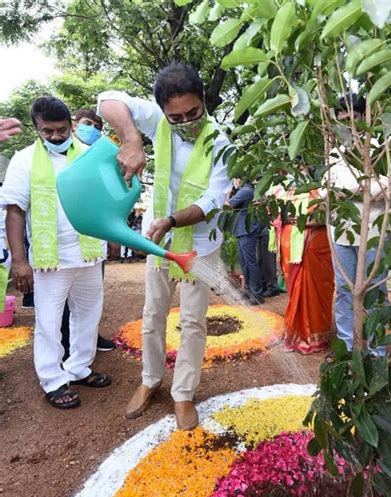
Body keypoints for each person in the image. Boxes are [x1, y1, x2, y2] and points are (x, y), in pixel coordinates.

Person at [98, 62, 231, 428]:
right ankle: (150, 380)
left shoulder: (221, 139)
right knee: (153, 314)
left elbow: (213, 201)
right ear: (163, 111)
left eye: (194, 112)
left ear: (204, 100)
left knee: (192, 322)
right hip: (159, 241)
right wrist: (131, 138)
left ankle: (183, 393)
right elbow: (106, 100)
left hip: (199, 245)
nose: (187, 121)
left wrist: (171, 220)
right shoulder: (156, 119)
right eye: (177, 117)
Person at [0, 96, 110, 409]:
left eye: (62, 130)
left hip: (88, 252)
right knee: (49, 323)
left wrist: (111, 237)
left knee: (88, 315)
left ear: (71, 125)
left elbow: (101, 198)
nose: (56, 137)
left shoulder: (87, 155)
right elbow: (15, 211)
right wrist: (20, 261)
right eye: (48, 131)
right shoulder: (24, 160)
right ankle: (52, 380)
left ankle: (79, 367)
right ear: (37, 128)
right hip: (51, 260)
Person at [323, 95, 391, 355]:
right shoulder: (335, 152)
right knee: (344, 292)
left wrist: (353, 190)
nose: (348, 126)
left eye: (353, 119)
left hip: (374, 234)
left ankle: (378, 351)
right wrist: (366, 189)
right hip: (341, 234)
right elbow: (327, 189)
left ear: (365, 117)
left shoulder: (385, 147)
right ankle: (350, 349)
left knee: (376, 293)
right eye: (342, 121)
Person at [60, 108, 116, 357]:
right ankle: (63, 343)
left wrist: (113, 237)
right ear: (74, 125)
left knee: (90, 298)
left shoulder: (100, 157)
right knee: (60, 300)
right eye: (86, 123)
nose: (92, 129)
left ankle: (91, 338)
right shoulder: (57, 154)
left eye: (97, 126)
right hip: (61, 242)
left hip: (93, 240)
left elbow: (108, 198)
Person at [270, 187, 334, 353]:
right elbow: (273, 216)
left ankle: (312, 334)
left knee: (315, 289)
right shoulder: (281, 190)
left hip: (311, 244)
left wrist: (297, 221)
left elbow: (327, 217)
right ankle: (302, 333)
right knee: (299, 289)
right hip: (294, 245)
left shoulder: (321, 190)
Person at [229, 180, 264, 305]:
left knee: (250, 262)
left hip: (246, 229)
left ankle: (256, 293)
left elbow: (229, 204)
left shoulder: (246, 191)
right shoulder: (246, 190)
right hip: (242, 229)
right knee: (244, 262)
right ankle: (248, 290)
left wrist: (230, 189)